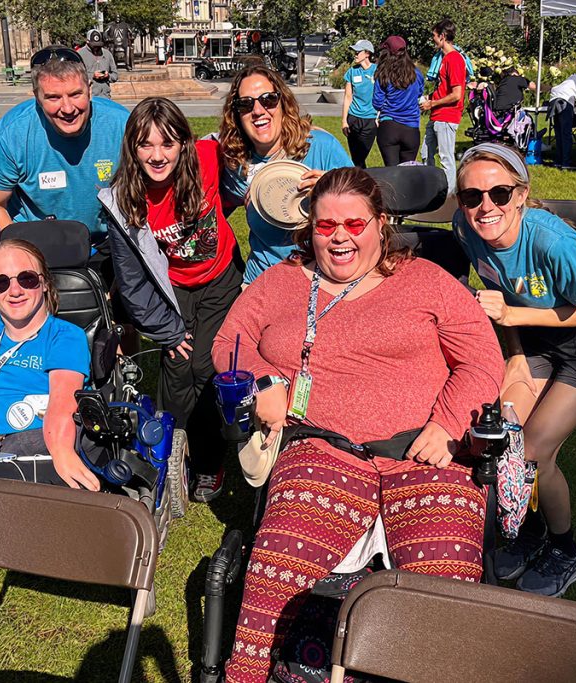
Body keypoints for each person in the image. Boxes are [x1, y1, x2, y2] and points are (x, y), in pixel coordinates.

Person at [214, 166, 504, 682]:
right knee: (275, 572)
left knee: (445, 589)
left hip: (423, 453)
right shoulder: (280, 281)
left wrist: (448, 422)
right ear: (311, 229)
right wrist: (264, 381)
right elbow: (228, 343)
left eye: (354, 224)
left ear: (380, 224)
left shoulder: (425, 279)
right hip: (320, 449)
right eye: (326, 226)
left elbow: (482, 359)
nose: (340, 237)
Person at [452, 143, 576, 597]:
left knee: (534, 451)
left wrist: (512, 318)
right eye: (472, 196)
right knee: (502, 439)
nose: (485, 207)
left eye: (499, 193)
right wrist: (515, 353)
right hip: (536, 337)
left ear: (520, 194)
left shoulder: (553, 241)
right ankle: (529, 532)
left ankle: (565, 551)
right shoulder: (465, 228)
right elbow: (501, 296)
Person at [99, 97, 243, 502]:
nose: (158, 155)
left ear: (185, 144)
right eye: (145, 144)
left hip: (220, 279)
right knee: (177, 369)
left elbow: (250, 138)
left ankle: (210, 463)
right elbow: (131, 280)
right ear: (132, 148)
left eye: (168, 143)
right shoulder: (124, 199)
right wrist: (167, 330)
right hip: (173, 287)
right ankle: (167, 456)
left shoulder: (208, 157)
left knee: (206, 367)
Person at [0, 239, 97, 489]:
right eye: (0, 283)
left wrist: (62, 451)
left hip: (42, 442)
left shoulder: (64, 336)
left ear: (44, 283)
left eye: (27, 279)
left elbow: (63, 402)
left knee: (25, 447)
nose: (15, 291)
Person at [0, 46, 129, 277]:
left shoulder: (121, 124)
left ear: (90, 90)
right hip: (36, 247)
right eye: (53, 97)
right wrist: (21, 257)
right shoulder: (11, 133)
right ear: (36, 97)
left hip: (106, 243)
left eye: (76, 94)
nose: (68, 109)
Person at [219, 65, 352, 285]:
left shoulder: (321, 147)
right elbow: (211, 213)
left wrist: (332, 189)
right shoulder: (237, 164)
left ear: (283, 102)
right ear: (236, 114)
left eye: (269, 99)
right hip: (262, 283)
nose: (258, 110)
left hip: (322, 281)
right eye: (245, 104)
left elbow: (369, 205)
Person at [420, 18, 467, 194]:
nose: (432, 39)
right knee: (426, 153)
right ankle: (431, 189)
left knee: (446, 158)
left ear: (442, 36)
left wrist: (432, 103)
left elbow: (456, 94)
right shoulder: (445, 59)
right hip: (437, 115)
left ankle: (450, 196)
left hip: (447, 116)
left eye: (434, 35)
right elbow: (444, 89)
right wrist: (429, 98)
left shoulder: (454, 59)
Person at [371, 35, 425, 166]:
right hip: (411, 128)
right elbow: (419, 93)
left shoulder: (383, 73)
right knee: (407, 172)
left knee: (391, 171)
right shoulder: (416, 74)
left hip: (389, 126)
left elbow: (377, 103)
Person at [340, 39, 378, 167]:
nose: (355, 54)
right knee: (356, 158)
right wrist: (344, 121)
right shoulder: (352, 72)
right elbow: (348, 97)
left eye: (358, 52)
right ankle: (361, 177)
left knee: (361, 156)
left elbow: (384, 95)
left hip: (371, 119)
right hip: (353, 119)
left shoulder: (377, 71)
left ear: (367, 53)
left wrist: (379, 116)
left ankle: (360, 176)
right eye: (355, 52)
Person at [79, 31, 119, 99]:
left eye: (98, 45)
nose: (96, 47)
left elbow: (115, 75)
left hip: (105, 96)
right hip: (89, 97)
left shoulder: (107, 54)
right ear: (87, 41)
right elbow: (76, 76)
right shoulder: (80, 54)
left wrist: (108, 76)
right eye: (94, 45)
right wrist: (92, 76)